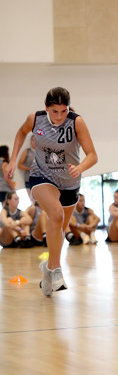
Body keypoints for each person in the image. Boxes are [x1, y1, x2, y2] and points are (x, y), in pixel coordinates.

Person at [4, 87, 98, 296]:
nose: (59, 116)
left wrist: (80, 168)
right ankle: (56, 270)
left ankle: (47, 269)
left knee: (58, 230)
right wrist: (12, 161)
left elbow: (92, 155)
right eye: (55, 111)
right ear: (46, 108)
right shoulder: (35, 119)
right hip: (42, 176)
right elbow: (20, 133)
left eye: (63, 111)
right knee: (56, 215)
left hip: (70, 182)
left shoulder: (76, 122)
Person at [18, 135, 36, 201]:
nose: (35, 141)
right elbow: (19, 165)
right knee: (31, 199)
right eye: (33, 140)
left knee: (39, 199)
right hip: (29, 178)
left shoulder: (42, 152)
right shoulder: (27, 151)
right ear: (31, 141)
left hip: (40, 178)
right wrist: (29, 168)